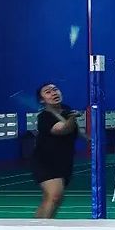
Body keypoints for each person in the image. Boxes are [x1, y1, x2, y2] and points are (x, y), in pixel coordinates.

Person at [31, 82, 82, 218]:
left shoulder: (66, 110)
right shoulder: (44, 117)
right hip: (45, 162)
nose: (53, 93)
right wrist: (72, 117)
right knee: (54, 195)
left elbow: (73, 131)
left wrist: (87, 137)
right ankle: (43, 227)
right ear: (42, 100)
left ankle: (37, 226)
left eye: (55, 89)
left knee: (53, 199)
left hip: (63, 162)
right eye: (48, 92)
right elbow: (63, 129)